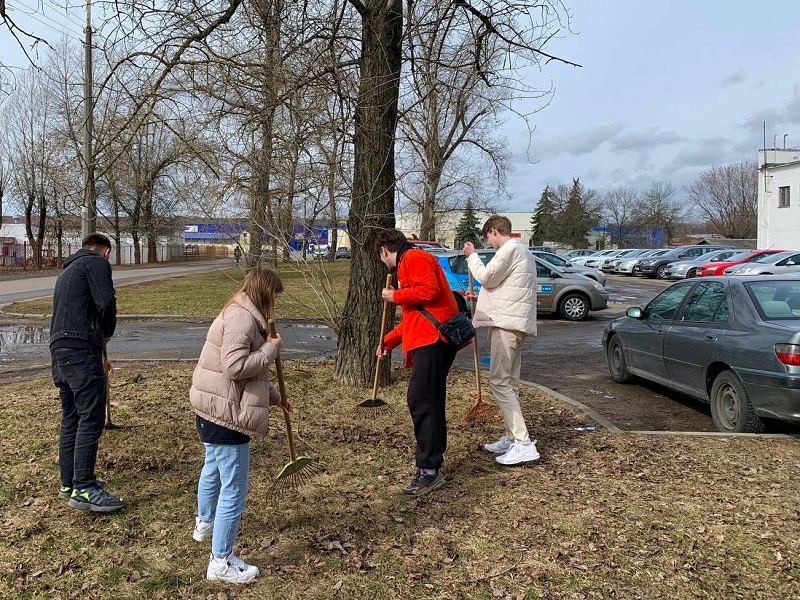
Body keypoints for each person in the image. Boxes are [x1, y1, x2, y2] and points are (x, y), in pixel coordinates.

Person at [189, 265, 289, 584]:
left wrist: (276, 398)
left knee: (213, 467)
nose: (275, 302)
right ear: (264, 292)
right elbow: (235, 368)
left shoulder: (242, 313)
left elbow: (251, 378)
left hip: (213, 408)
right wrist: (270, 350)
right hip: (226, 416)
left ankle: (206, 523)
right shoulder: (242, 319)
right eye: (274, 296)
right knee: (234, 489)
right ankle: (221, 561)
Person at [376, 229, 459, 496]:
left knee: (422, 401)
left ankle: (429, 470)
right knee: (427, 400)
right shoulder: (408, 262)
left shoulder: (412, 258)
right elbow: (413, 319)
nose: (383, 262)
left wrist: (395, 296)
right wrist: (386, 342)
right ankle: (431, 464)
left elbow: (429, 291)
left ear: (384, 251)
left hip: (435, 340)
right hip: (429, 338)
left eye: (380, 257)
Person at [50, 233, 123, 512]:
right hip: (81, 351)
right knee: (91, 418)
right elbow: (106, 302)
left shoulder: (68, 271)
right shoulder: (96, 263)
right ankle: (84, 488)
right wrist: (106, 334)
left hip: (60, 350)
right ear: (106, 253)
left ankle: (69, 483)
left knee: (71, 417)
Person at [463, 215, 540, 466]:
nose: (490, 243)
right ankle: (511, 437)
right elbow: (510, 289)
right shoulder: (524, 252)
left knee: (499, 382)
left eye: (488, 238)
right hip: (515, 323)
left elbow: (486, 277)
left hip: (506, 326)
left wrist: (472, 256)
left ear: (494, 231)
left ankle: (523, 443)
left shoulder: (509, 250)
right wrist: (481, 299)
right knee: (510, 383)